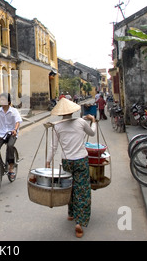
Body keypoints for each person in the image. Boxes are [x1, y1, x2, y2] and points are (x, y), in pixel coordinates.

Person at [46, 97, 96, 238]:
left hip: (67, 161)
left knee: (70, 187)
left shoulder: (57, 126)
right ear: (72, 111)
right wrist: (93, 121)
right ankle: (80, 222)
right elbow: (92, 133)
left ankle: (71, 214)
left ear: (61, 113)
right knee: (83, 190)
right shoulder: (80, 122)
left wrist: (48, 162)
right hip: (81, 160)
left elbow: (53, 147)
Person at [0, 93, 22, 177]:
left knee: (10, 146)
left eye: (3, 100)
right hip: (2, 134)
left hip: (12, 133)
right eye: (1, 100)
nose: (1, 101)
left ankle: (11, 167)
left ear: (8, 101)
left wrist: (15, 129)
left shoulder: (13, 111)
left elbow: (18, 121)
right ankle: (0, 165)